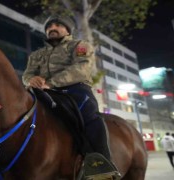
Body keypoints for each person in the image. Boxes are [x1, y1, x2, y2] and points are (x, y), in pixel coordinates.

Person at [22, 15, 120, 177]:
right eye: (49, 26)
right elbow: (27, 74)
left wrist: (50, 82)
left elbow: (81, 69)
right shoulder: (36, 55)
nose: (52, 27)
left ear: (67, 30)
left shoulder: (80, 46)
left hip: (75, 90)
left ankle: (102, 166)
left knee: (90, 116)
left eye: (58, 25)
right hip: (43, 92)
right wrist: (31, 80)